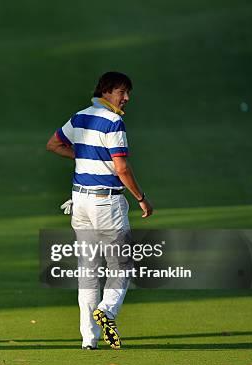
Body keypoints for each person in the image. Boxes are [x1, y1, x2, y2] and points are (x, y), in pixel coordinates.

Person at [46, 71, 154, 350]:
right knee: (122, 265)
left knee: (89, 269)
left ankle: (88, 338)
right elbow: (122, 168)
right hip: (107, 203)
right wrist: (141, 198)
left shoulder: (80, 117)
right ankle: (107, 310)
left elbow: (54, 144)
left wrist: (83, 155)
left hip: (79, 203)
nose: (127, 98)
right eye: (122, 92)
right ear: (106, 91)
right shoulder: (114, 122)